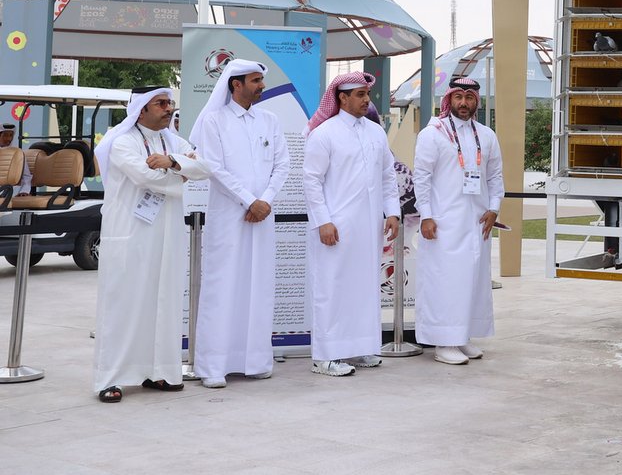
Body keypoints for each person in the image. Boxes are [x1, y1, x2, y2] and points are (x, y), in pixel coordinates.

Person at [92, 86, 211, 403]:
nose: (168, 108)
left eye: (170, 103)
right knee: (124, 304)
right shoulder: (122, 142)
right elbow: (146, 179)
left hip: (167, 232)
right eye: (161, 103)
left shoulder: (173, 141)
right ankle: (110, 378)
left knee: (164, 302)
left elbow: (205, 167)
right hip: (130, 233)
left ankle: (160, 372)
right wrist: (180, 174)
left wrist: (172, 162)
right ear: (141, 108)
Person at [189, 59, 289, 389]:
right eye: (256, 80)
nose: (261, 85)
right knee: (223, 286)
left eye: (261, 80)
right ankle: (213, 366)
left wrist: (266, 201)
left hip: (262, 216)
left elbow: (282, 164)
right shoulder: (213, 121)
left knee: (258, 284)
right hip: (229, 216)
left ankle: (256, 360)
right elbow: (214, 168)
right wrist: (250, 200)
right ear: (236, 85)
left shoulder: (270, 120)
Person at [302, 71, 401, 376]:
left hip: (368, 225)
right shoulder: (324, 134)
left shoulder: (375, 133)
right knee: (332, 287)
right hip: (335, 225)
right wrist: (323, 221)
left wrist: (393, 212)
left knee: (363, 287)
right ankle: (326, 356)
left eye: (366, 94)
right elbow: (311, 181)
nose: (366, 100)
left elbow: (387, 175)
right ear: (342, 98)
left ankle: (358, 348)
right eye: (359, 95)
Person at [413, 76, 504, 365]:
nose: (463, 103)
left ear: (477, 101)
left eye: (469, 98)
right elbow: (422, 178)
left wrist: (494, 207)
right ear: (449, 100)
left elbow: (495, 175)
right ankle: (443, 343)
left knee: (473, 281)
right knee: (446, 281)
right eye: (458, 97)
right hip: (443, 222)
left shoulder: (486, 135)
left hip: (477, 222)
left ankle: (462, 336)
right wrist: (426, 215)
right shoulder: (433, 133)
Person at [0, 123, 33, 195]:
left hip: (6, 192)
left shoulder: (17, 154)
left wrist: (24, 191)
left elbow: (26, 176)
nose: (9, 139)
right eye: (5, 135)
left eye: (11, 135)